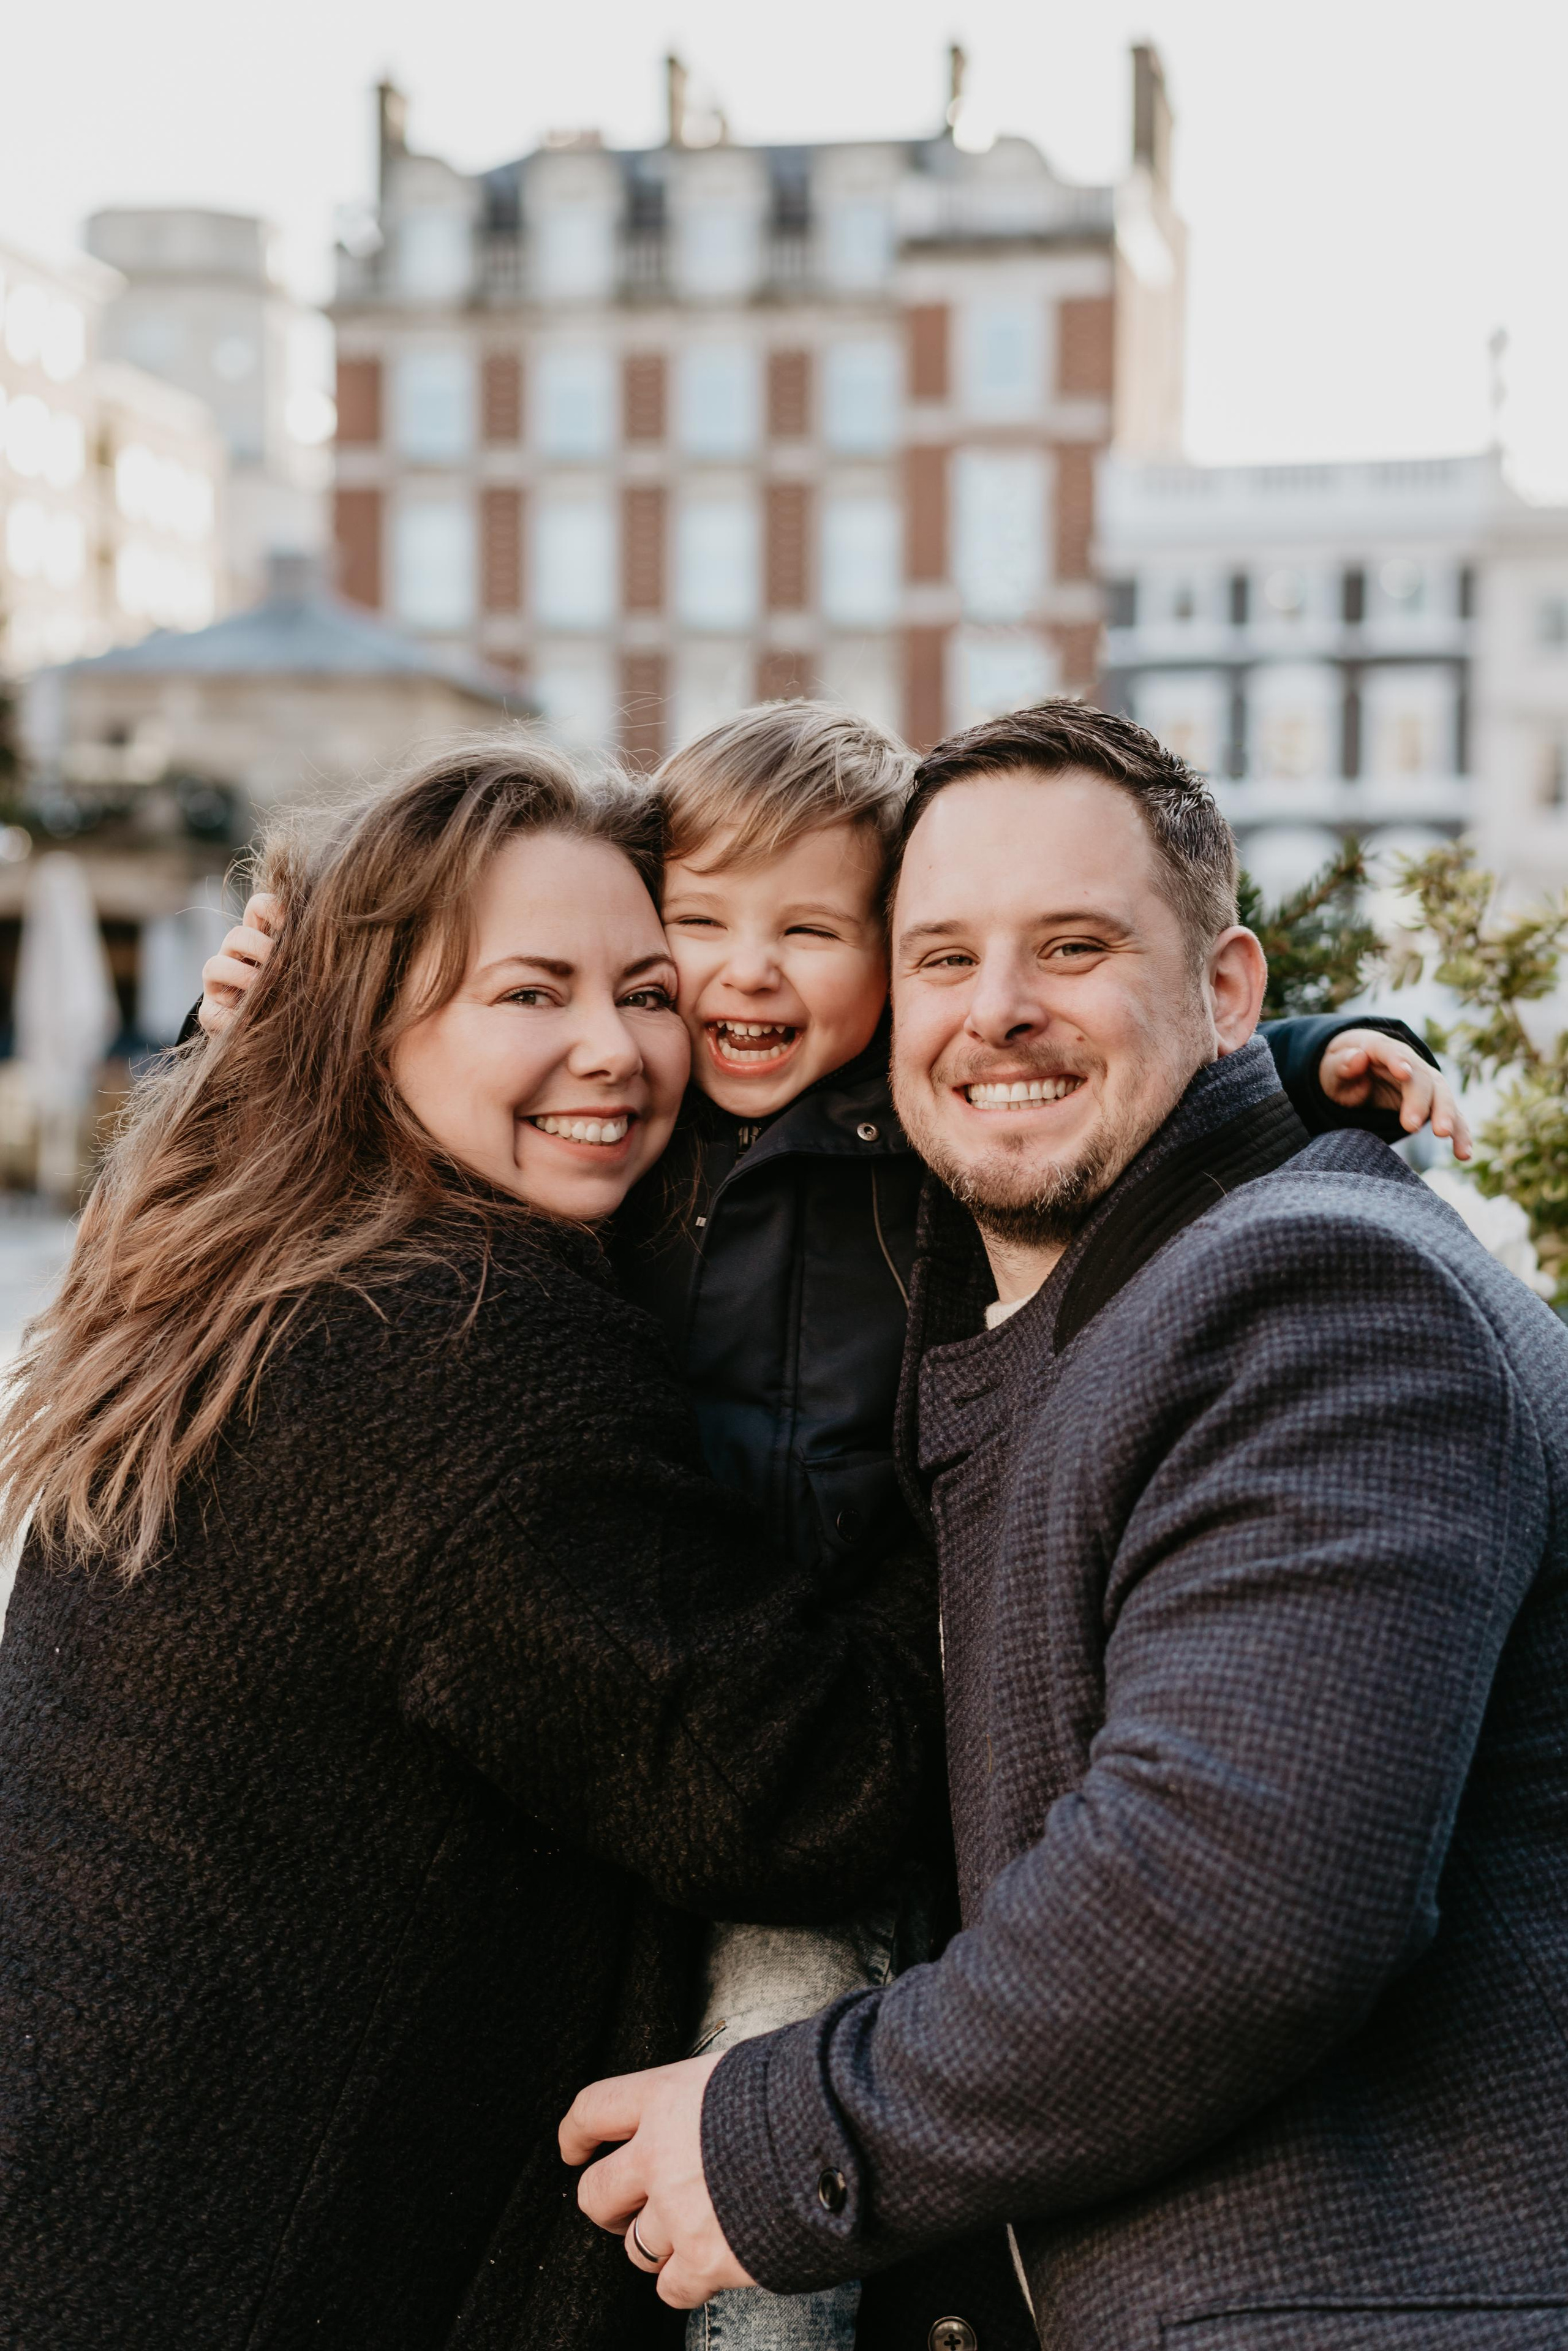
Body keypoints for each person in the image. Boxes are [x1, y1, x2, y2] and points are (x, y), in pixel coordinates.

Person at [199, 703, 1463, 2351]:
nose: (741, 976)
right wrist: (263, 1032)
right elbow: (416, 1127)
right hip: (661, 1695)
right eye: (694, 933)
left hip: (817, 1724)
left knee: (771, 2128)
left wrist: (1298, 1063)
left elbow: (1097, 1080)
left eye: (811, 932)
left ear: (879, 970)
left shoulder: (916, 1153)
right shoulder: (637, 1145)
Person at [563, 702, 1568, 2351]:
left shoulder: (1315, 1289)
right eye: (943, 958)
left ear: (1229, 991)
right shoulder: (1074, 1292)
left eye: (1074, 947)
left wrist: (774, 2140)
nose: (999, 1012)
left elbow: (1227, 1910)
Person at [0, 743, 949, 2351]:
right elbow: (803, 1793)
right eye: (530, 993)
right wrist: (969, 1442)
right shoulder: (466, 1351)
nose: (619, 1049)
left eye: (650, 989)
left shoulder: (226, 1271)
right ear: (369, 1028)